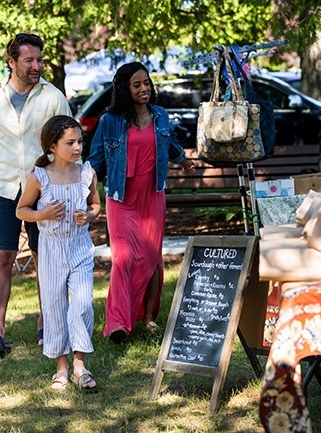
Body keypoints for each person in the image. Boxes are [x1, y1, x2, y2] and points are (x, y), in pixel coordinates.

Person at [0, 33, 72, 357]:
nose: (36, 66)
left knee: (47, 260)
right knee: (2, 257)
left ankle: (47, 323)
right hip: (3, 189)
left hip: (43, 189)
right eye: (29, 60)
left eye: (39, 60)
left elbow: (69, 141)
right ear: (11, 62)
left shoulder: (52, 97)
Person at [86, 62, 195, 343]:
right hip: (121, 198)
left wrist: (183, 161)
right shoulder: (109, 120)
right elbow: (96, 159)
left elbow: (168, 144)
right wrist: (77, 183)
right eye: (137, 85)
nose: (144, 88)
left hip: (152, 196)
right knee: (123, 258)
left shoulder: (159, 115)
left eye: (146, 83)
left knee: (150, 257)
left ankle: (147, 319)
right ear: (125, 88)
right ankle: (118, 324)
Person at [16, 115, 100, 391]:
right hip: (51, 249)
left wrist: (88, 215)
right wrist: (42, 213)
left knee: (83, 304)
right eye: (70, 142)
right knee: (54, 306)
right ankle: (61, 368)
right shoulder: (39, 177)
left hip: (80, 248)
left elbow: (96, 204)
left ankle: (80, 366)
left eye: (80, 141)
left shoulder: (87, 173)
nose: (77, 147)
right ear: (52, 146)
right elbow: (21, 210)